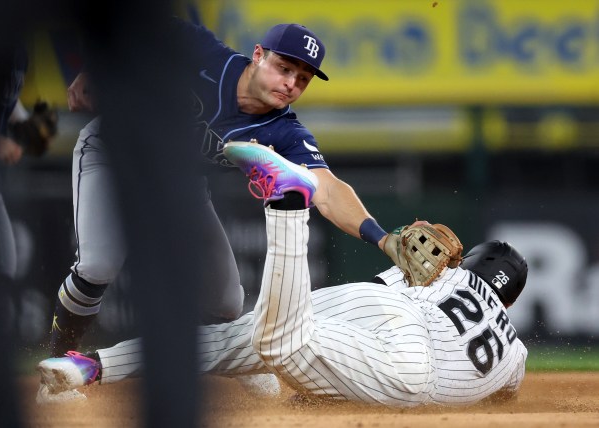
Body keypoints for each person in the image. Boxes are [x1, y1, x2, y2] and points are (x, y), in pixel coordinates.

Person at [37, 152, 528, 407]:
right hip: (409, 370)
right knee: (273, 340)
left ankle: (89, 364)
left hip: (397, 325)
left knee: (262, 336)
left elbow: (372, 298)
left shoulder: (446, 276)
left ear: (471, 263)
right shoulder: (515, 352)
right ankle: (286, 211)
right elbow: (506, 391)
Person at [46, 19, 403, 362]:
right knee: (97, 265)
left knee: (227, 304)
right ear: (259, 55)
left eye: (303, 78)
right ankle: (59, 361)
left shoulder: (284, 131)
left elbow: (326, 190)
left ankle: (191, 372)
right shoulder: (205, 54)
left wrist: (382, 238)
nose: (291, 83)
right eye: (284, 67)